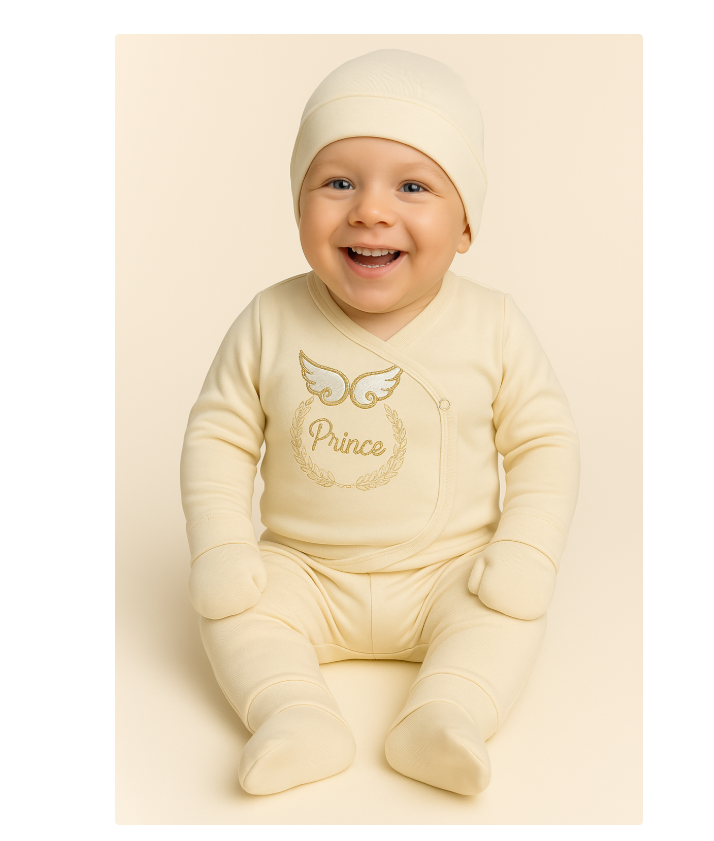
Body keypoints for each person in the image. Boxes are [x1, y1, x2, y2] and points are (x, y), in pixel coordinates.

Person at [180, 49, 580, 797]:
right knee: (237, 611)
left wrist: (526, 549)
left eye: (413, 185)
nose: (369, 209)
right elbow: (219, 435)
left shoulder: (493, 325)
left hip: (448, 571)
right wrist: (223, 545)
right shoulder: (269, 319)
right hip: (305, 569)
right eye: (337, 182)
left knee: (504, 618)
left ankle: (447, 714)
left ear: (466, 225)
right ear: (297, 205)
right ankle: (294, 715)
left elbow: (544, 442)